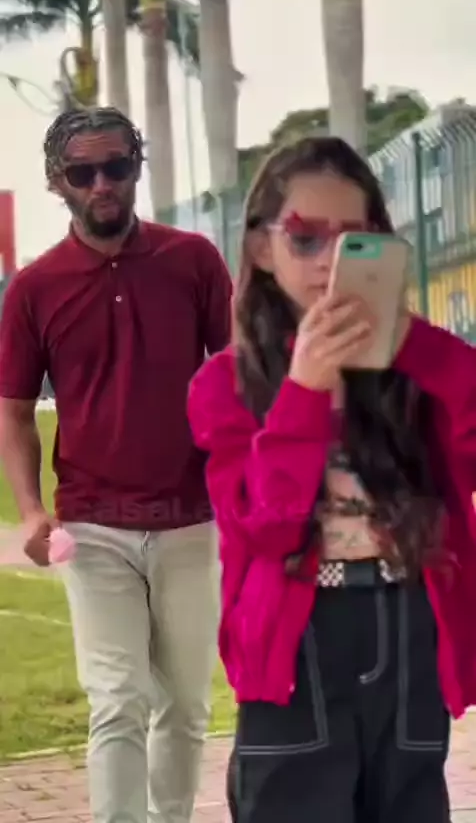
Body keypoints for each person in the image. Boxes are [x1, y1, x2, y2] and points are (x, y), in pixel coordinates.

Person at [187, 135, 476, 823]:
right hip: (300, 642)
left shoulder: (416, 372)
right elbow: (263, 524)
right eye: (306, 238)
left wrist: (415, 345)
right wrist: (305, 392)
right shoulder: (225, 383)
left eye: (355, 240)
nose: (330, 261)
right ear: (262, 248)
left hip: (408, 628)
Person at [0, 106, 232, 823]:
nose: (102, 183)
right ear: (56, 182)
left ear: (136, 167)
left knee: (186, 706)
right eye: (83, 172)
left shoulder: (194, 260)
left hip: (191, 520)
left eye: (116, 166)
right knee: (118, 699)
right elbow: (13, 411)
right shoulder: (34, 288)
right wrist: (32, 510)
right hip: (93, 526)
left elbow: (233, 378)